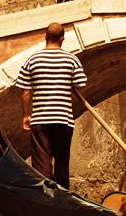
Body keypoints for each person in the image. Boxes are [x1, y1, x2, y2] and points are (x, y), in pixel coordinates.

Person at [16, 22, 87, 189]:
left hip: (40, 120)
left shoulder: (32, 60)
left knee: (41, 165)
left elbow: (25, 91)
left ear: (45, 37)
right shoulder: (71, 60)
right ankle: (61, 197)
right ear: (62, 39)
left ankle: (43, 196)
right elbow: (81, 83)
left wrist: (26, 115)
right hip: (63, 120)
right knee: (62, 164)